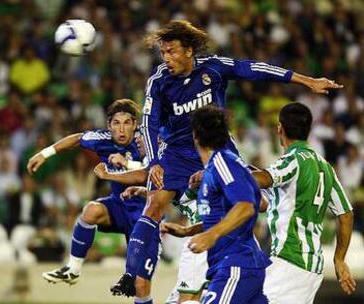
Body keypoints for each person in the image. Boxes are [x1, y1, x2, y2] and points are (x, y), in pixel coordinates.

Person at [113, 19, 343, 296]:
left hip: (217, 145)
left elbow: (256, 70)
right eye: (163, 53)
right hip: (177, 151)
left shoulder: (214, 67)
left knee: (256, 201)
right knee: (153, 204)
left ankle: (243, 250)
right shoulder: (159, 81)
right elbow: (148, 122)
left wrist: (306, 80)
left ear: (188, 51)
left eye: (171, 51)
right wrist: (154, 162)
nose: (166, 58)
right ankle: (129, 275)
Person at [27, 99, 158, 304]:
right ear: (109, 126)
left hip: (146, 215)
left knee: (140, 286)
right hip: (118, 206)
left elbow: (145, 175)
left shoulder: (146, 141)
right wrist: (44, 154)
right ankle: (73, 269)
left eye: (126, 123)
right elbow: (77, 139)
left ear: (135, 125)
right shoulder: (103, 139)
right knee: (90, 211)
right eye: (116, 123)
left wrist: (109, 175)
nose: (121, 129)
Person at [162, 106, 270, 303]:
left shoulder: (223, 163)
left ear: (195, 136)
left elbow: (246, 206)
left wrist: (211, 235)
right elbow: (226, 214)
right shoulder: (215, 168)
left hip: (235, 265)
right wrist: (189, 231)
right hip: (233, 266)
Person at [252, 103, 356, 303]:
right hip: (312, 268)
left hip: (290, 259)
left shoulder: (293, 160)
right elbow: (346, 214)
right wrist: (339, 259)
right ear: (308, 129)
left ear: (279, 128)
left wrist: (225, 172)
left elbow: (265, 179)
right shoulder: (325, 167)